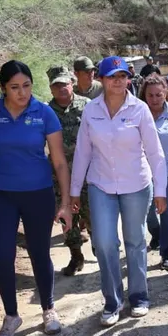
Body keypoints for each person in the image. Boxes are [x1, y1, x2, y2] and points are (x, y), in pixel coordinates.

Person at [0, 60, 73, 336]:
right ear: (3, 88)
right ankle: (11, 316)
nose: (22, 93)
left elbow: (59, 162)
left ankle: (48, 308)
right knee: (1, 255)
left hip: (38, 194)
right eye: (15, 88)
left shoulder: (44, 113)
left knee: (38, 252)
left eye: (27, 86)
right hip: (1, 195)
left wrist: (67, 202)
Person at [70, 56, 168, 327]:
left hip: (136, 185)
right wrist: (75, 191)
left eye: (122, 76)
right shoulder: (91, 110)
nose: (118, 81)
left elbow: (155, 153)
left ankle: (139, 296)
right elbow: (82, 152)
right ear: (100, 79)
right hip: (101, 185)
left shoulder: (140, 109)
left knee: (135, 240)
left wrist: (161, 190)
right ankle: (112, 301)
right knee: (103, 243)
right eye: (112, 76)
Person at [47, 65, 92, 276]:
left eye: (65, 83)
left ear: (72, 83)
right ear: (51, 89)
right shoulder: (46, 112)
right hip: (60, 176)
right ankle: (76, 256)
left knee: (94, 215)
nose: (62, 88)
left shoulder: (88, 106)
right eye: (57, 85)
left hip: (88, 173)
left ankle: (100, 249)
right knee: (67, 218)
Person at [139, 74, 168, 271]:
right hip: (144, 173)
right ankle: (156, 234)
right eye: (151, 95)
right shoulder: (137, 113)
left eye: (159, 94)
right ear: (144, 96)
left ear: (166, 93)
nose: (155, 99)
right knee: (148, 212)